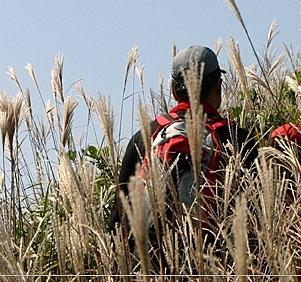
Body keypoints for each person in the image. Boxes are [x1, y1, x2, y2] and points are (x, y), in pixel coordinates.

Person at [108, 45, 259, 268]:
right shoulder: (238, 139)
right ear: (219, 85)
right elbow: (257, 224)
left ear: (173, 90)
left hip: (153, 266)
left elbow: (117, 221)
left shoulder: (144, 137)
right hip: (214, 266)